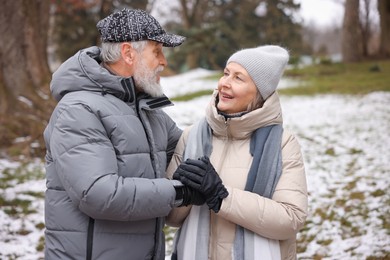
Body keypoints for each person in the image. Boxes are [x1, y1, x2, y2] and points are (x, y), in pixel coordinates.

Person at [43, 8, 204, 260]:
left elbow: (188, 146)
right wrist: (180, 192)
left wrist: (227, 120)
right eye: (157, 51)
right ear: (129, 53)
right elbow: (98, 193)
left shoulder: (146, 109)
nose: (164, 62)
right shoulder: (78, 110)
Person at [166, 45, 308, 260]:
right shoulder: (192, 136)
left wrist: (221, 196)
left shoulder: (282, 144)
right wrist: (183, 194)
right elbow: (171, 218)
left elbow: (291, 219)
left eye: (238, 78)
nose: (224, 83)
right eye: (226, 73)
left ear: (260, 92)